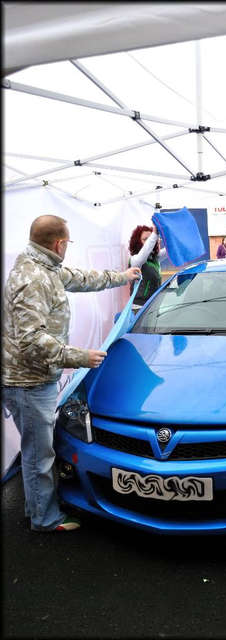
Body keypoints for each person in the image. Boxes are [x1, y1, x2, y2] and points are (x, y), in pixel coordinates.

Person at [2, 214, 141, 532]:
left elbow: (80, 278)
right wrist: (79, 357)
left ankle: (36, 507)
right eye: (67, 243)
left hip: (33, 378)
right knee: (40, 454)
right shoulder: (33, 278)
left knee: (36, 450)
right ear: (59, 243)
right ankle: (45, 520)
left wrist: (121, 277)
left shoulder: (43, 267)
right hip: (29, 381)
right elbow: (31, 339)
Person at [128, 220, 167, 307]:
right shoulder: (135, 260)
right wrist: (154, 234)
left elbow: (170, 250)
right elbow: (144, 253)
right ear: (137, 242)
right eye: (145, 239)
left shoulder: (154, 258)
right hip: (138, 309)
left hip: (153, 307)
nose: (150, 241)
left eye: (151, 239)